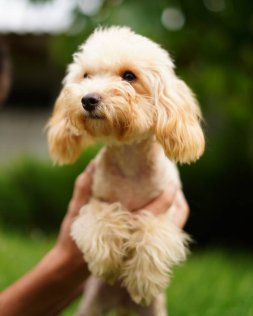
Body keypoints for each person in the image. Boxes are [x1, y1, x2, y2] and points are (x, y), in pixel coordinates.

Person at [0, 48, 189, 316]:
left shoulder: (166, 176)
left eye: (127, 76)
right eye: (87, 76)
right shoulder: (96, 174)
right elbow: (93, 220)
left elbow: (170, 216)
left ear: (162, 99)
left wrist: (150, 242)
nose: (92, 93)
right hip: (95, 288)